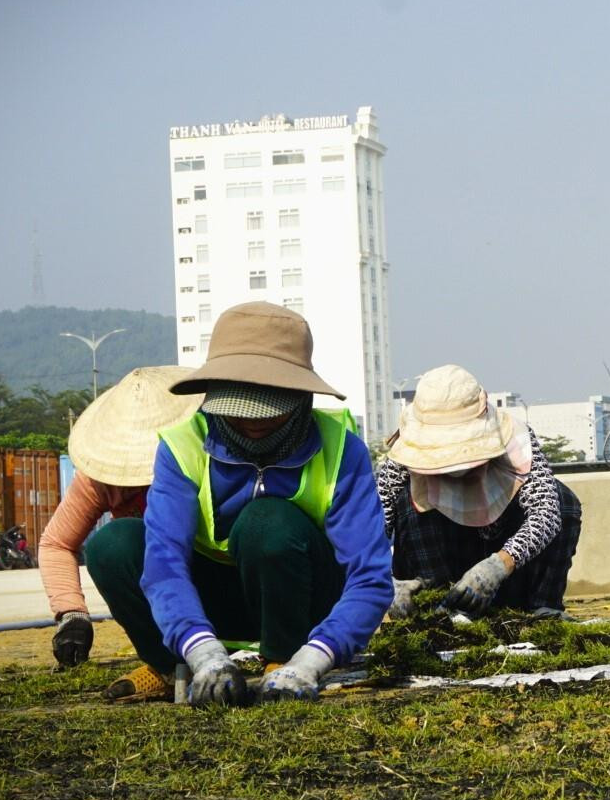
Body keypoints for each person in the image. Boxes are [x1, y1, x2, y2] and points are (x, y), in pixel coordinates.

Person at [86, 301, 392, 705]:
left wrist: (314, 659)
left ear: (301, 396)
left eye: (270, 409)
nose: (252, 421)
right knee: (112, 544)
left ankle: (281, 661)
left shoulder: (341, 449)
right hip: (211, 600)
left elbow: (370, 578)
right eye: (238, 407)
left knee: (267, 521)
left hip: (302, 598)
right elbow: (164, 565)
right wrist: (204, 653)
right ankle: (170, 665)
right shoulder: (183, 446)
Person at [39, 366, 201, 696]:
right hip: (162, 584)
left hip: (212, 574)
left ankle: (278, 652)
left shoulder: (206, 452)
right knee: (112, 544)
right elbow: (57, 543)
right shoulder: (103, 478)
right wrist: (72, 614)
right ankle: (166, 664)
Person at [376, 364, 582, 618]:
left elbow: (546, 514)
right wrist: (385, 581)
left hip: (502, 550)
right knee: (406, 501)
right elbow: (374, 528)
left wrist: (499, 565)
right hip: (439, 557)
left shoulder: (517, 441)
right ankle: (437, 613)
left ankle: (540, 608)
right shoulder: (402, 459)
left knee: (563, 500)